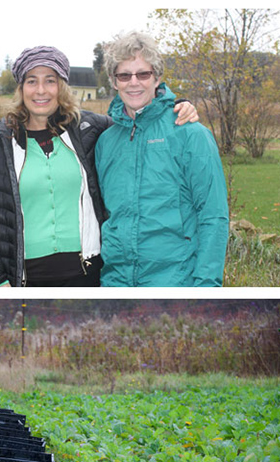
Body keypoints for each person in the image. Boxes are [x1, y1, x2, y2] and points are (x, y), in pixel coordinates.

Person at [0, 45, 198, 287]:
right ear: (21, 88)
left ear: (62, 86)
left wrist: (174, 107)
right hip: (23, 280)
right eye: (32, 81)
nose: (41, 90)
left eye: (50, 81)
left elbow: (137, 121)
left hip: (88, 275)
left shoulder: (91, 130)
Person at [95, 32, 229, 286]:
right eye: (125, 75)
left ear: (157, 77)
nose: (134, 82)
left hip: (175, 282)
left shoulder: (190, 134)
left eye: (143, 74)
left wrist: (207, 287)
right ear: (114, 82)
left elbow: (214, 216)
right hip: (116, 284)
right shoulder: (106, 142)